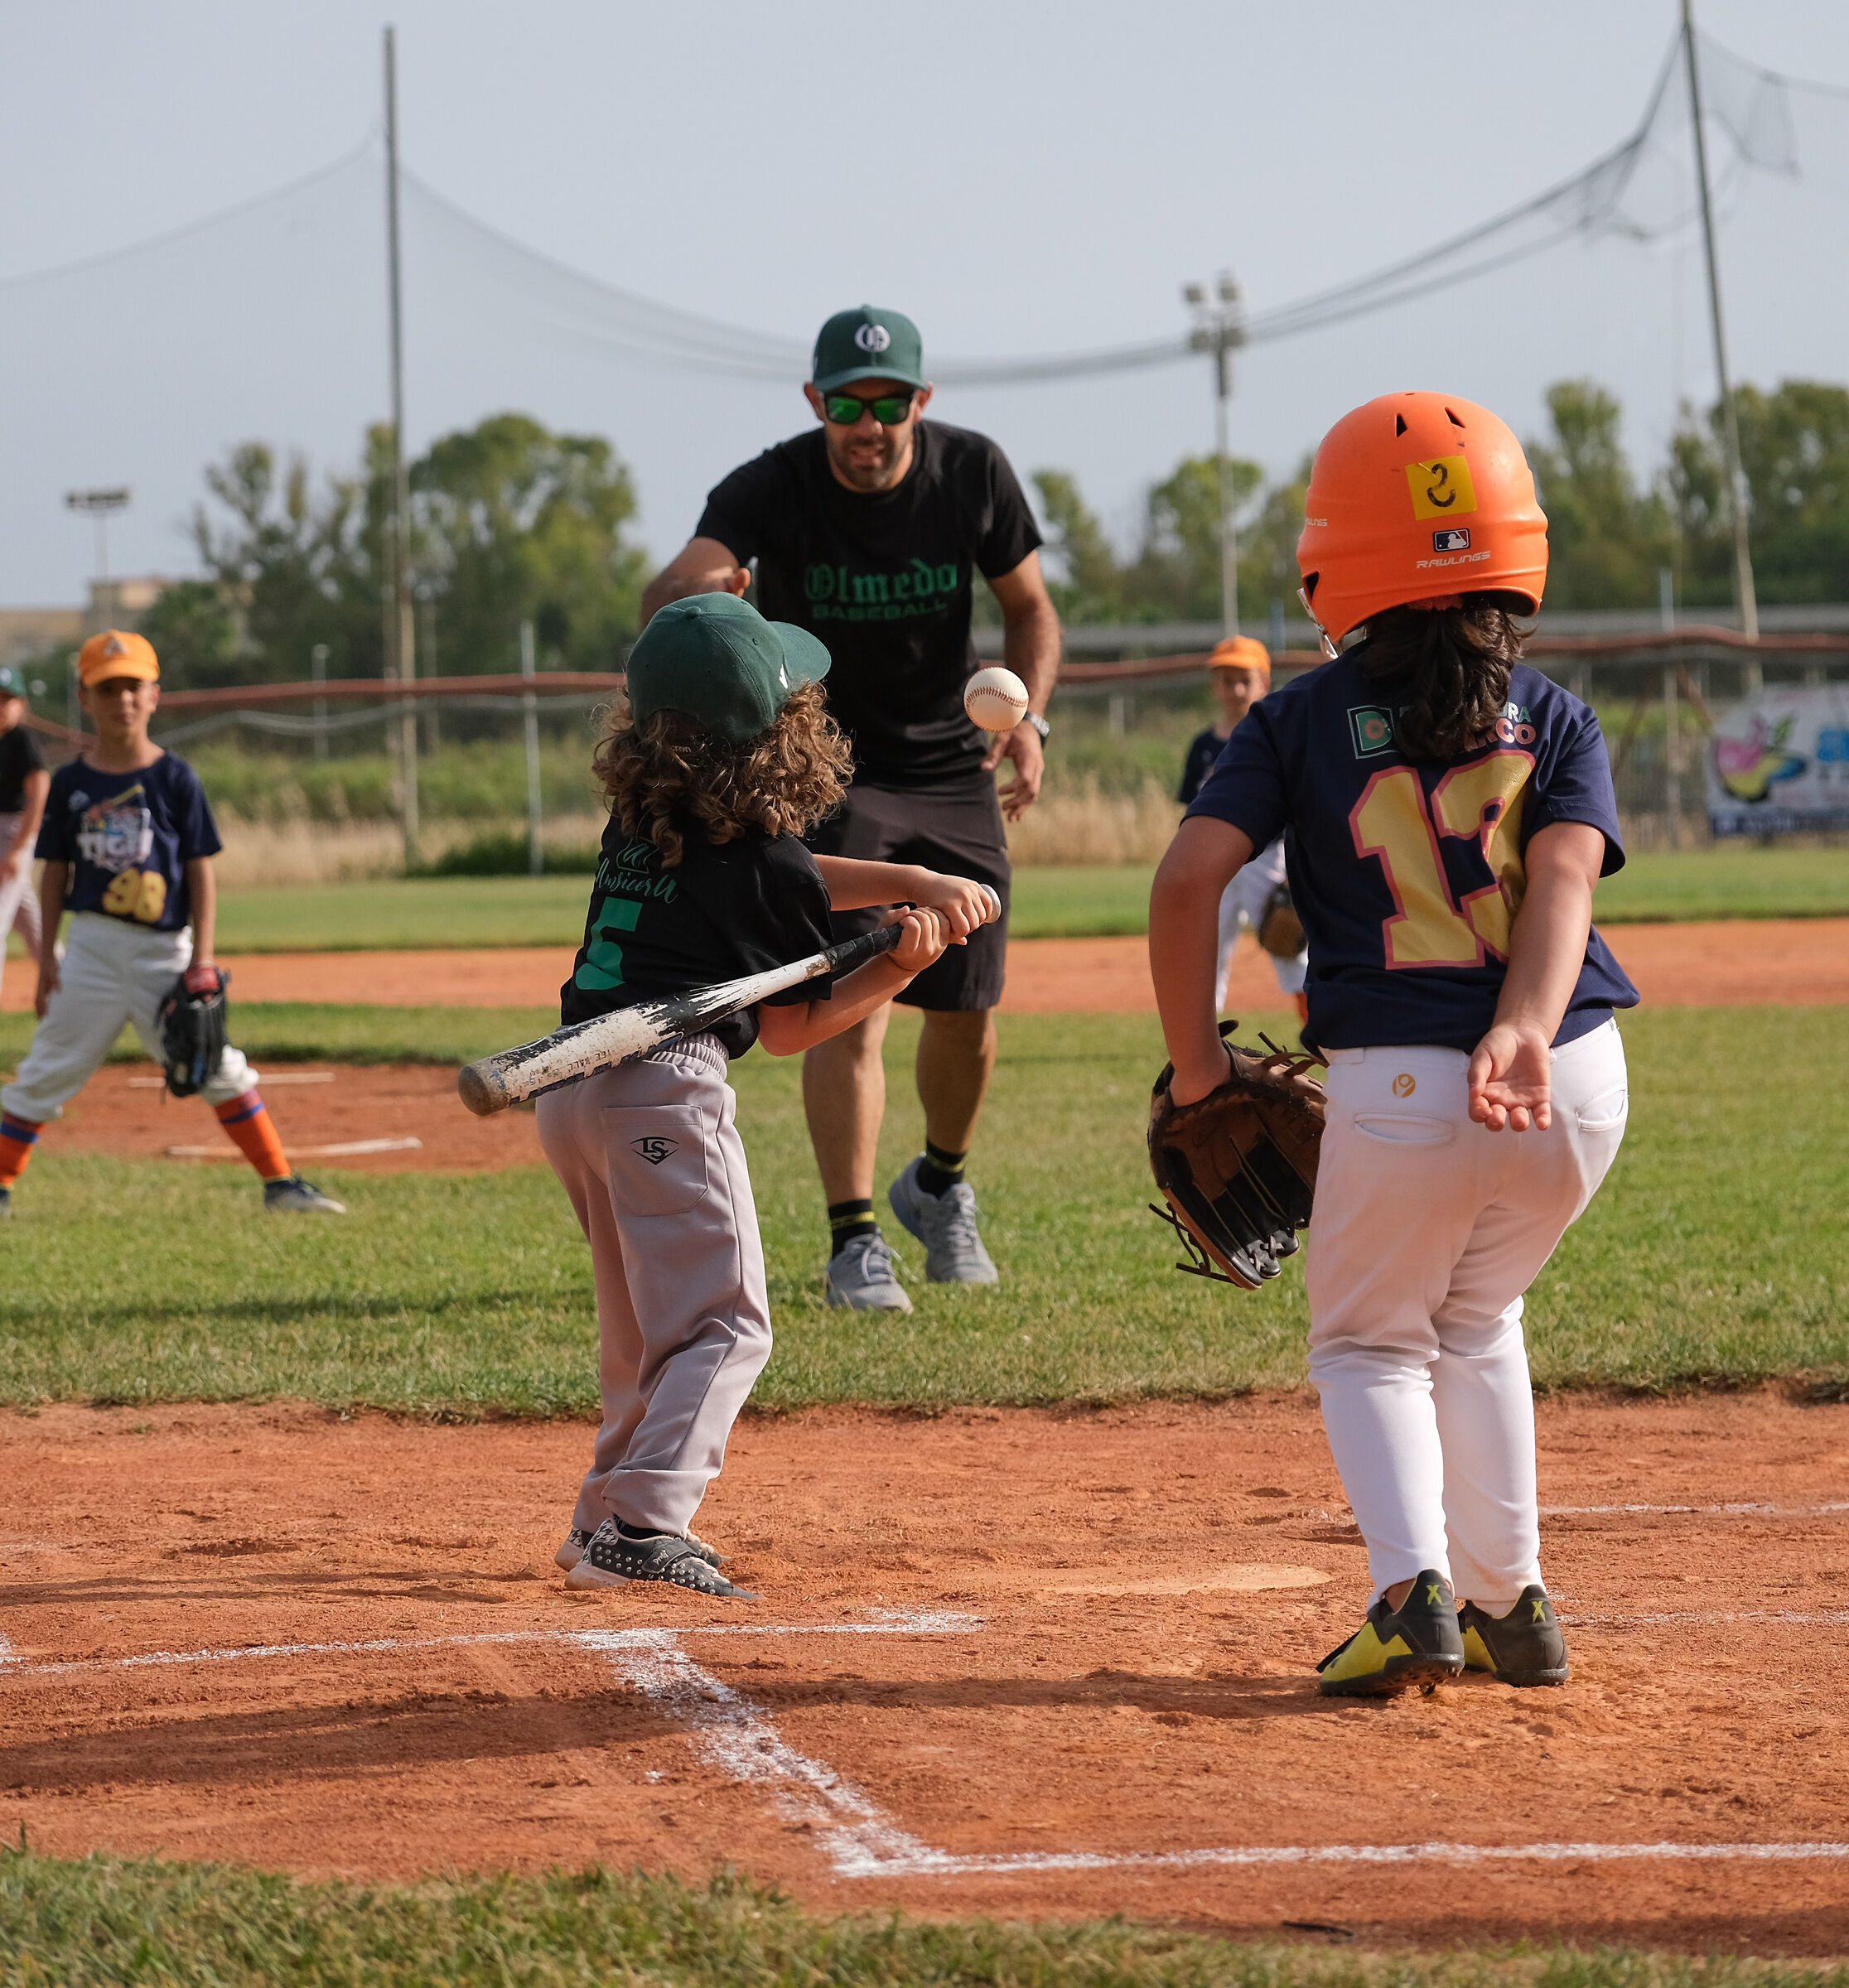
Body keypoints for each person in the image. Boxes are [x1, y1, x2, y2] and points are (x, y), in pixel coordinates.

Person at [1149, 392, 1639, 1695]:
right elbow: (1569, 887)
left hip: (1404, 1083)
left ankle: (1413, 1592)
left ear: (1334, 558)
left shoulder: (1297, 720)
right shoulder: (1558, 715)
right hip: (1573, 1080)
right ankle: (1511, 1605)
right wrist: (1526, 1029)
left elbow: (1189, 881)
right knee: (1479, 1315)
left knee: (1369, 1343)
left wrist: (1201, 1070)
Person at [545, 593, 992, 1595]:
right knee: (729, 1324)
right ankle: (647, 1525)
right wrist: (895, 971)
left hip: (574, 1085)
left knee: (642, 1329)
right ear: (771, 736)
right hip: (663, 1090)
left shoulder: (643, 818)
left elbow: (788, 881)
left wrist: (907, 880)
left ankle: (603, 1514)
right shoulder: (754, 861)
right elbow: (790, 1027)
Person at [640, 304, 1061, 1313]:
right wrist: (708, 583)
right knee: (851, 1001)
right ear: (816, 403)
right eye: (845, 403)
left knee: (967, 1006)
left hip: (953, 765)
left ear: (920, 400)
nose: (866, 424)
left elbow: (1031, 608)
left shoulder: (973, 473)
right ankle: (853, 1239)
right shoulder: (773, 484)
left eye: (886, 402)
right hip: (824, 770)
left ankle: (940, 1188)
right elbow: (674, 588)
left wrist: (1031, 719)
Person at [0, 630, 345, 1218]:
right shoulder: (71, 785)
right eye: (106, 688)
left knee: (216, 1066)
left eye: (133, 686)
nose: (122, 700)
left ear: (155, 695)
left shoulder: (176, 779)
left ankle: (280, 1184)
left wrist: (202, 960)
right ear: (85, 698)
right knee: (47, 1068)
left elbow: (199, 873)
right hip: (91, 949)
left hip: (165, 951)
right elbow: (53, 874)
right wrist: (48, 962)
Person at [1176, 636, 1309, 1025]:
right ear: (1214, 685)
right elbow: (1190, 811)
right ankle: (1201, 1039)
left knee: (1286, 941)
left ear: (1263, 682)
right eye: (1226, 679)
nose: (1235, 688)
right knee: (1205, 948)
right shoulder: (1203, 745)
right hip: (1210, 860)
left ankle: (1315, 1031)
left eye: (1244, 679)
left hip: (1266, 857)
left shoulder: (1276, 736)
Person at [0, 666, 51, 1006]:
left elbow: (38, 795)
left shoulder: (22, 741)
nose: (1, 705)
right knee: (30, 922)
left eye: (7, 698)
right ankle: (61, 975)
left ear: (21, 704)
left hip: (14, 831)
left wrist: (19, 850)